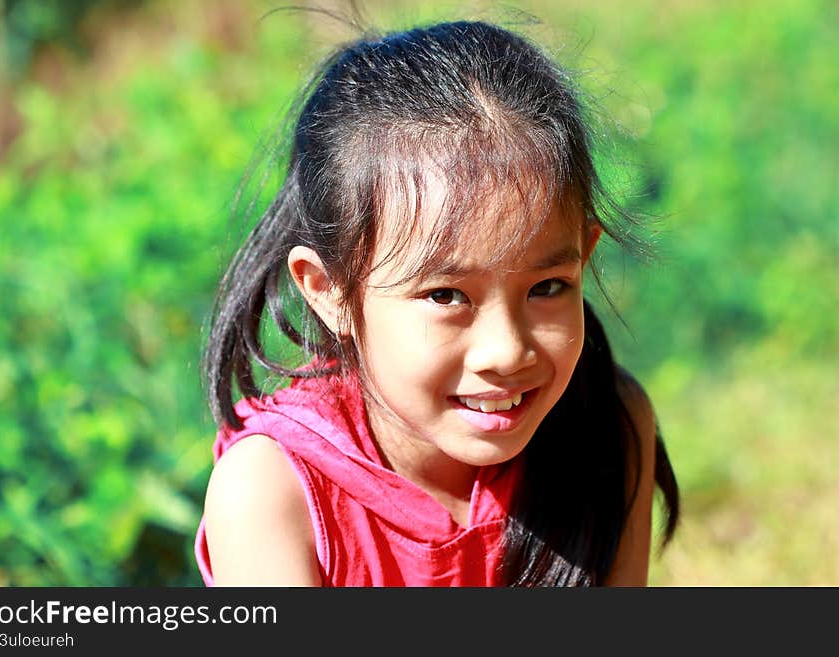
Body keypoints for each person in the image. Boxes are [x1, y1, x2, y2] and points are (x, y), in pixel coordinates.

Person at [195, 19, 680, 587]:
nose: (507, 351)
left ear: (585, 256)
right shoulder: (274, 492)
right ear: (329, 292)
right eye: (446, 295)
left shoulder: (607, 425)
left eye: (547, 287)